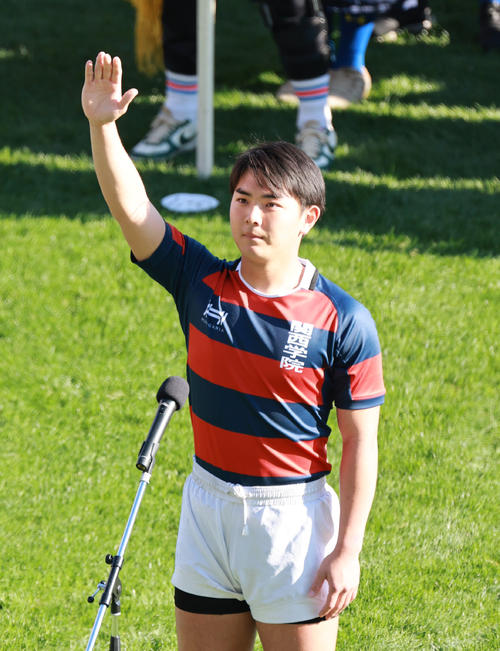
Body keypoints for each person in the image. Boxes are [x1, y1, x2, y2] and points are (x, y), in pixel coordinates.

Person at [82, 51, 385, 650]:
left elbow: (360, 442)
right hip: (207, 510)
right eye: (242, 200)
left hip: (292, 523)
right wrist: (103, 126)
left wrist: (347, 550)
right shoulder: (199, 280)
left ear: (308, 218)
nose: (252, 216)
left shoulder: (343, 320)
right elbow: (132, 209)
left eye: (271, 204)